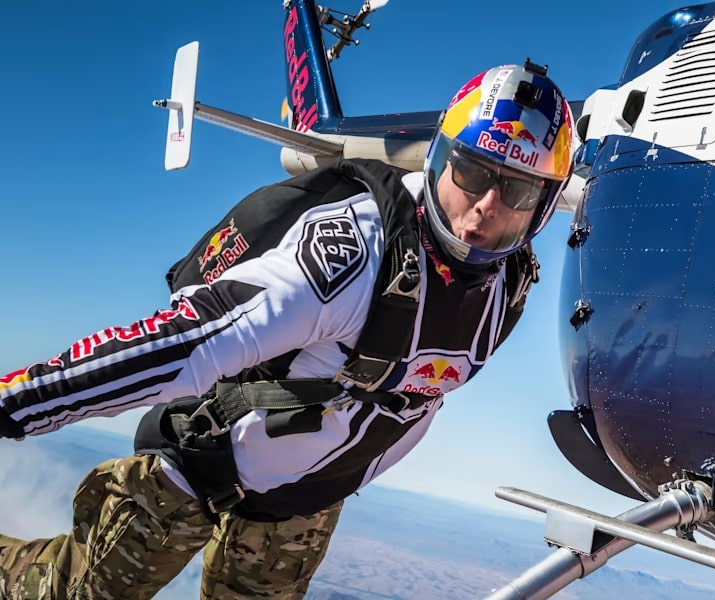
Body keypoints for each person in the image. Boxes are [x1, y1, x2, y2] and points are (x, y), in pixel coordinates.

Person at [0, 60, 574, 599]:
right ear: (440, 158)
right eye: (471, 172)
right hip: (197, 470)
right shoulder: (354, 252)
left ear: (543, 205)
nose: (485, 207)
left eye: (518, 190)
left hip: (302, 508)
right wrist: (20, 403)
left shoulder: (509, 286)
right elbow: (186, 341)